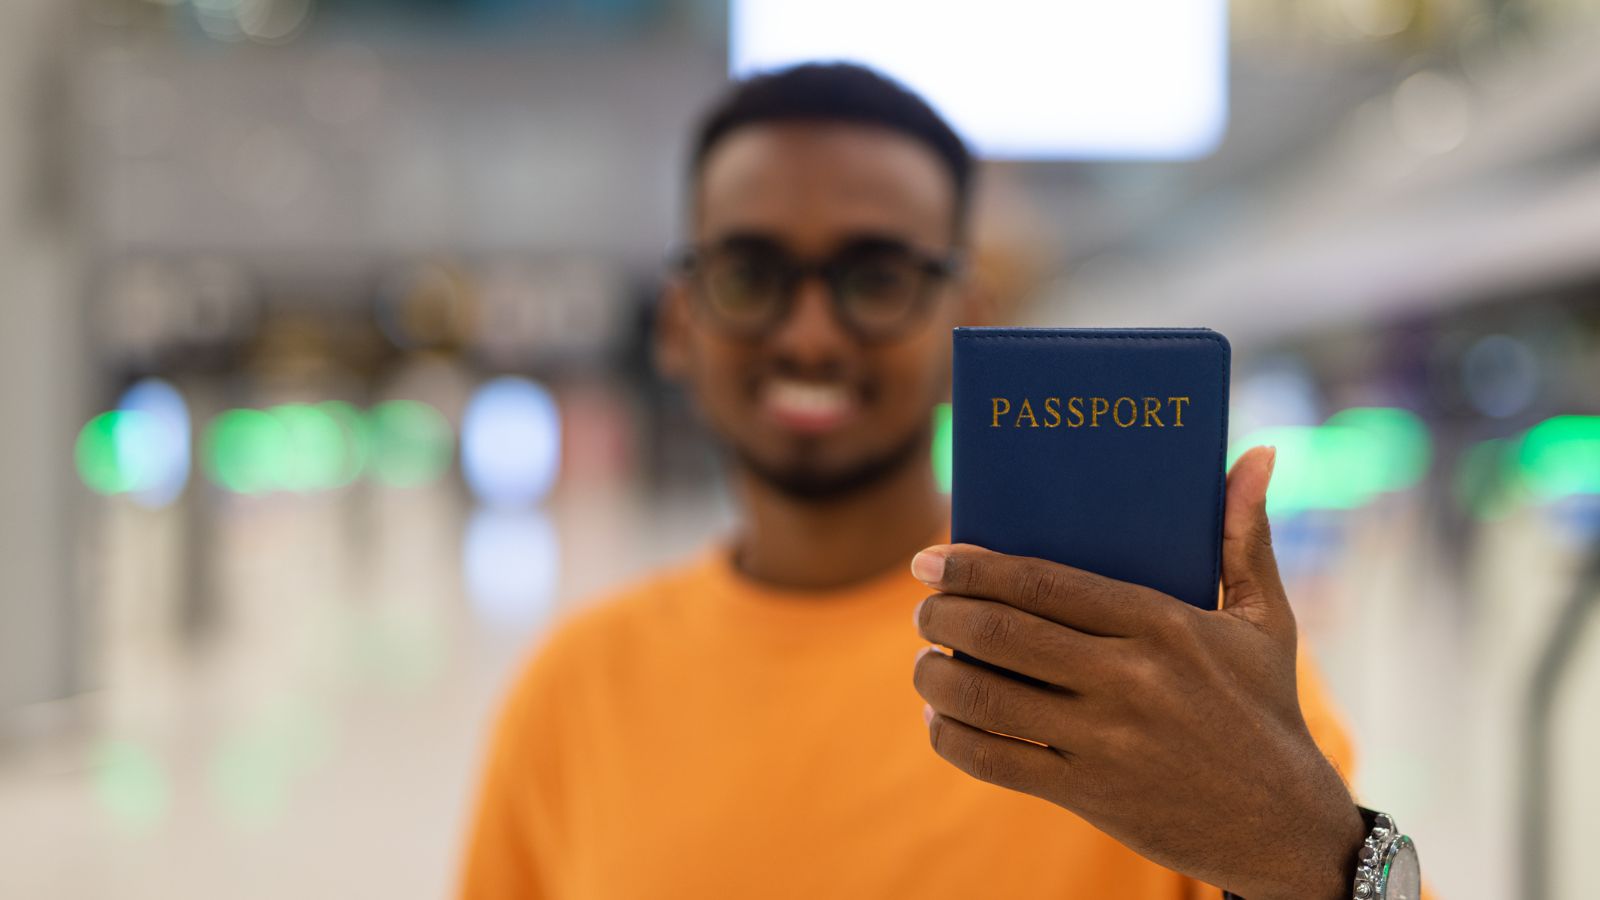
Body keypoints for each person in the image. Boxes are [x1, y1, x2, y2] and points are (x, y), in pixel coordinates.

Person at [459, 63, 1398, 899]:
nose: (812, 336)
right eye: (752, 276)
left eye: (876, 279)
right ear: (677, 321)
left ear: (970, 322)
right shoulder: (572, 693)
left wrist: (1310, 856)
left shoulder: (1145, 654)